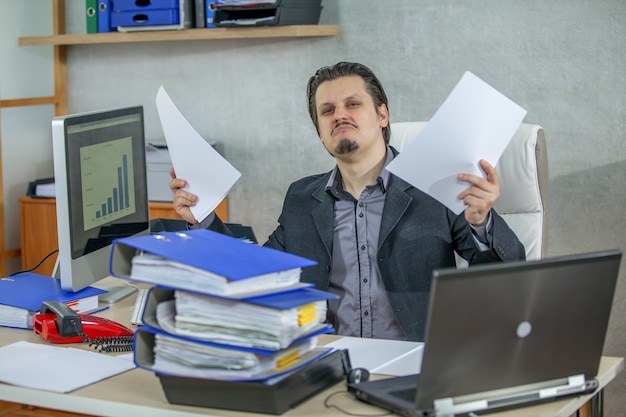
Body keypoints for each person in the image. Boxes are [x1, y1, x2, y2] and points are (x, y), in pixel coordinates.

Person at [169, 61, 526, 342]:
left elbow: (505, 277)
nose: (340, 114)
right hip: (327, 364)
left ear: (382, 115)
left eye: (353, 104)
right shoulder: (302, 199)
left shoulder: (435, 186)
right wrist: (202, 216)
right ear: (320, 131)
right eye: (327, 111)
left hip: (417, 362)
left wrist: (481, 221)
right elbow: (255, 274)